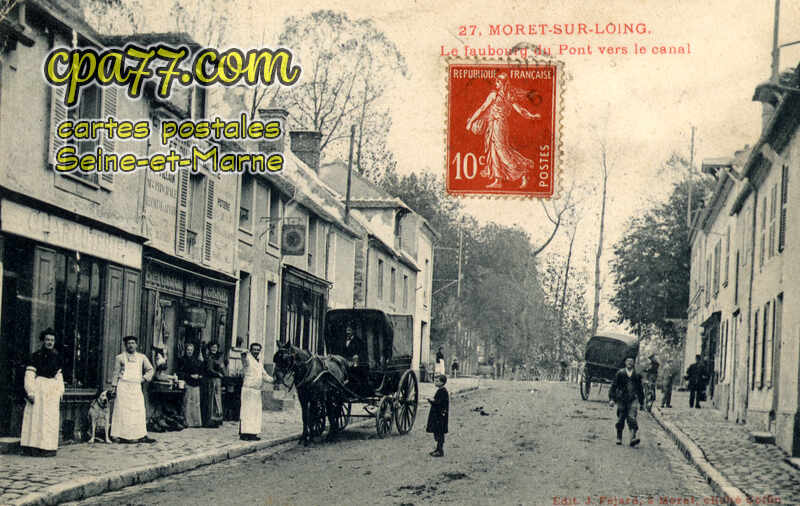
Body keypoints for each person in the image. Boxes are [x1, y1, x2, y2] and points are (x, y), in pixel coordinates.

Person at [465, 72, 542, 189]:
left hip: (499, 124)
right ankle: (498, 180)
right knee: (493, 150)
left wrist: (531, 116)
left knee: (502, 151)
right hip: (493, 124)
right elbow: (483, 109)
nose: (496, 84)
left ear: (503, 83)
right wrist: (531, 116)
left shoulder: (503, 95)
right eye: (496, 81)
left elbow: (519, 110)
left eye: (498, 82)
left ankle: (523, 171)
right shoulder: (501, 95)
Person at [20, 329, 64, 457]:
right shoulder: (36, 356)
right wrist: (30, 392)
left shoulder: (57, 357)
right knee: (36, 417)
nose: (50, 342)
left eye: (52, 340)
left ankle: (47, 448)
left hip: (52, 390)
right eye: (47, 340)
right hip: (39, 388)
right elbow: (29, 374)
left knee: (49, 419)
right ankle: (32, 447)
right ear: (43, 341)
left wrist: (60, 391)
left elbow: (59, 376)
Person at [111, 336, 156, 443]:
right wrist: (114, 386)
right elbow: (116, 373)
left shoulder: (142, 358)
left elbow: (150, 370)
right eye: (129, 343)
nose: (131, 345)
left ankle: (139, 435)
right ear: (125, 345)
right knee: (122, 411)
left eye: (133, 343)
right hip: (123, 386)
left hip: (136, 387)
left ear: (136, 345)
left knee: (138, 410)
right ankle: (118, 435)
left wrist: (143, 378)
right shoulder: (120, 358)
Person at [239, 342, 272, 441]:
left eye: (258, 350)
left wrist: (274, 380)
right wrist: (244, 354)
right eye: (254, 349)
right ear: (251, 350)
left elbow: (264, 375)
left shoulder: (259, 362)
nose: (256, 351)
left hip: (257, 391)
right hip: (248, 389)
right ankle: (245, 433)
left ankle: (253, 433)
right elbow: (244, 360)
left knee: (255, 413)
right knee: (247, 412)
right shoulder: (248, 359)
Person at [609, 357, 644, 447]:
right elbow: (614, 386)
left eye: (631, 361)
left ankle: (633, 438)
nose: (629, 363)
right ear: (625, 363)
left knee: (632, 417)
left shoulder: (637, 375)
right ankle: (619, 437)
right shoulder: (620, 373)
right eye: (628, 361)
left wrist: (642, 402)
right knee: (621, 418)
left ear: (634, 363)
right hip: (622, 399)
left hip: (633, 399)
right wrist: (612, 399)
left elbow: (640, 389)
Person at [177, 342, 203, 428]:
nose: (189, 351)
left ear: (193, 351)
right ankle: (187, 422)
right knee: (187, 403)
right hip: (187, 383)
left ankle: (195, 422)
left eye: (191, 350)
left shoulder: (196, 360)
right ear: (185, 350)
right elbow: (180, 373)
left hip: (196, 383)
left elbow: (200, 371)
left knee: (195, 404)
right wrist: (190, 376)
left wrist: (199, 376)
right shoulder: (182, 360)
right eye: (188, 350)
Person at [202, 342, 225, 428]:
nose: (214, 349)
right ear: (209, 348)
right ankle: (210, 421)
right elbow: (209, 369)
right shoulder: (209, 357)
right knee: (212, 399)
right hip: (211, 381)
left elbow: (222, 368)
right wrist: (218, 374)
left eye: (215, 347)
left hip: (218, 381)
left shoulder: (218, 357)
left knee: (217, 399)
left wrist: (222, 370)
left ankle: (217, 420)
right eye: (212, 347)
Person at [426, 374, 449, 457]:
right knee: (437, 433)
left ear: (442, 383)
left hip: (440, 417)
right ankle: (438, 449)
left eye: (437, 381)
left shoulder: (443, 391)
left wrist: (431, 401)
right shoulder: (441, 390)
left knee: (439, 433)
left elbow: (439, 403)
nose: (435, 382)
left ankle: (440, 451)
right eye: (435, 381)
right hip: (438, 416)